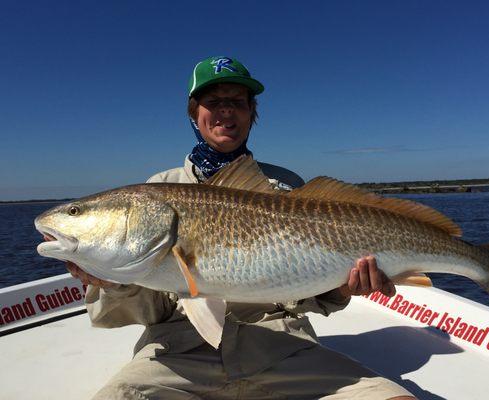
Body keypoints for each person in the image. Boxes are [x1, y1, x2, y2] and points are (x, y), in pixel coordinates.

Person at [67, 56, 416, 400]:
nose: (226, 111)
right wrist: (116, 285)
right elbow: (152, 310)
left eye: (237, 102)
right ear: (195, 112)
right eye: (213, 101)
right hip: (178, 354)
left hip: (282, 347)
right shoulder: (159, 190)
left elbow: (301, 294)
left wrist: (341, 289)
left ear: (251, 113)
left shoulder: (285, 189)